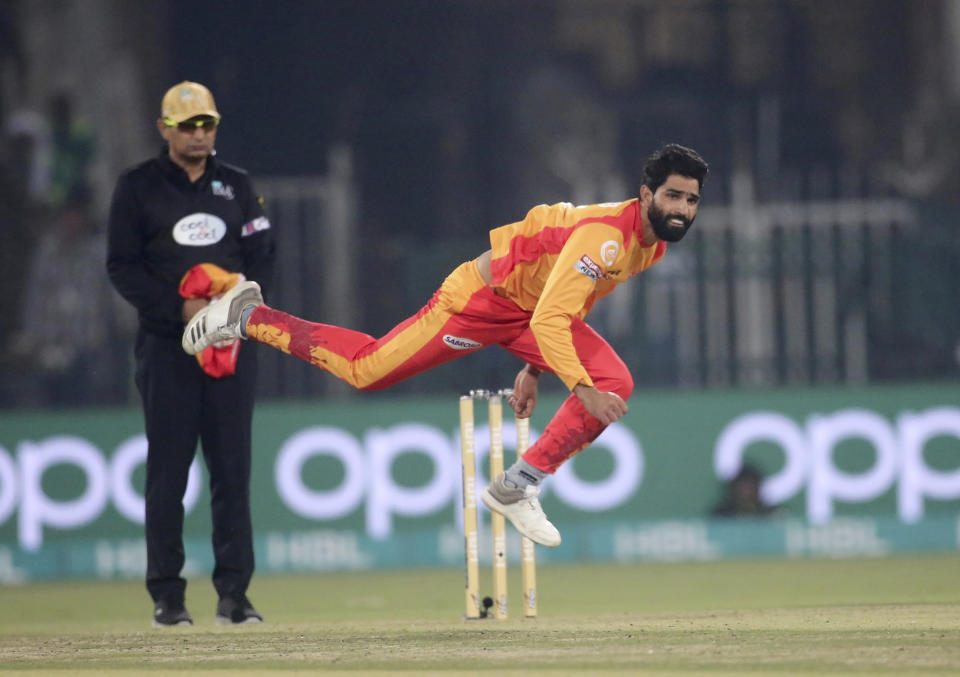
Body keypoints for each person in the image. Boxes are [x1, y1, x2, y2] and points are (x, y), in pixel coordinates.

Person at [183, 143, 707, 549]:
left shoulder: (651, 245)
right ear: (645, 194)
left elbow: (572, 297)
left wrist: (534, 368)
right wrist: (579, 388)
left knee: (616, 381)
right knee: (368, 370)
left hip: (532, 313)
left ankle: (516, 485)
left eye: (691, 200)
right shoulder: (607, 236)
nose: (682, 208)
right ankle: (248, 314)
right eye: (673, 196)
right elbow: (553, 315)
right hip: (478, 302)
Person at [107, 81, 275, 627]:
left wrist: (241, 312)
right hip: (166, 349)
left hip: (228, 348)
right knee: (168, 473)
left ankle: (234, 595)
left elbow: (262, 256)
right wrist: (174, 311)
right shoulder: (136, 189)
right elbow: (122, 267)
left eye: (206, 124)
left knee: (232, 472)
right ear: (165, 130)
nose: (199, 134)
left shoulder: (238, 186)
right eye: (187, 125)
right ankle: (168, 596)